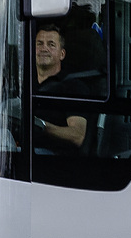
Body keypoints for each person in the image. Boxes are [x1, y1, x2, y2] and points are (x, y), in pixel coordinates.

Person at [31, 24, 89, 153]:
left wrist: (40, 125)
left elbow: (78, 135)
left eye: (51, 44)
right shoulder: (25, 85)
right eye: (39, 44)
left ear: (62, 54)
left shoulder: (73, 86)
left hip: (53, 159)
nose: (44, 48)